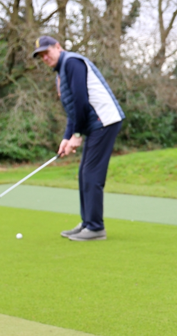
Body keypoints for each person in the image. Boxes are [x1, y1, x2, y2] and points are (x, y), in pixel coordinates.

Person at [32, 36, 125, 241]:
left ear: (58, 47)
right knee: (84, 173)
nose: (45, 57)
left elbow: (82, 101)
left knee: (91, 173)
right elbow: (73, 110)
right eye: (41, 56)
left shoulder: (72, 62)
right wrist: (67, 137)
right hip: (95, 123)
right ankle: (87, 222)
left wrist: (77, 135)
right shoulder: (61, 72)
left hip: (104, 121)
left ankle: (95, 228)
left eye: (47, 52)